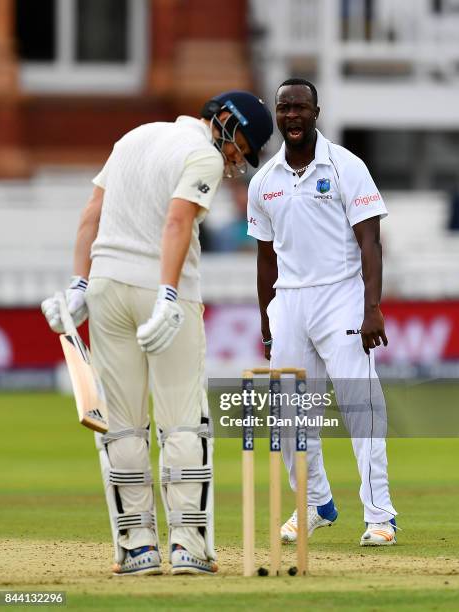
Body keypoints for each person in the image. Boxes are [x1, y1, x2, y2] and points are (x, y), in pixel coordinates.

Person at [42, 91, 273, 575]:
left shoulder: (134, 138)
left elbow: (91, 214)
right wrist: (168, 294)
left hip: (106, 288)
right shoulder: (202, 155)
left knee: (122, 423)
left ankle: (138, 547)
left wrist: (79, 283)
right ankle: (188, 545)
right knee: (183, 419)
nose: (235, 160)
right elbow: (178, 220)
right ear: (225, 121)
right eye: (241, 146)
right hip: (163, 290)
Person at [247, 78, 397, 546]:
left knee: (360, 405)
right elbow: (266, 259)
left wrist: (371, 307)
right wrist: (267, 322)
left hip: (342, 297)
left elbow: (370, 242)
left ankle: (380, 516)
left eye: (300, 108)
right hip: (289, 301)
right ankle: (314, 504)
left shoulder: (346, 166)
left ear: (317, 112)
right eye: (284, 108)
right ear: (276, 114)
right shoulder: (264, 181)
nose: (292, 116)